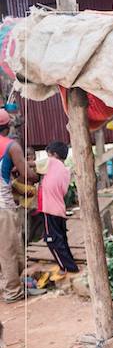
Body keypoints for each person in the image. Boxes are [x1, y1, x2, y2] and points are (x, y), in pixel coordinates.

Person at [0, 108, 37, 303]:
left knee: (12, 245)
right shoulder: (11, 146)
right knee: (8, 248)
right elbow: (28, 175)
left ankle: (21, 281)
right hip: (2, 206)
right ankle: (12, 292)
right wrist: (35, 174)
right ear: (8, 126)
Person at [38, 141, 78, 276]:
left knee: (52, 241)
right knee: (61, 240)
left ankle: (66, 268)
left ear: (53, 155)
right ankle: (71, 265)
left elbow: (32, 165)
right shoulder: (65, 170)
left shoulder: (52, 163)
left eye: (48, 154)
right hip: (59, 209)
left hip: (49, 209)